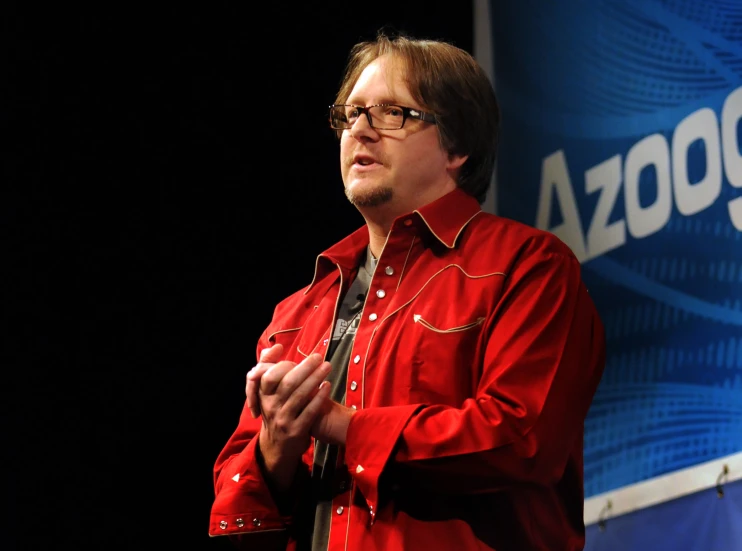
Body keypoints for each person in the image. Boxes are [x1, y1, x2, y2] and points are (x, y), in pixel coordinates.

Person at [209, 30, 606, 551]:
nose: (361, 131)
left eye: (391, 113)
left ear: (457, 146)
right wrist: (275, 446)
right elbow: (234, 509)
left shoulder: (526, 265)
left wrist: (342, 425)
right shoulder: (296, 312)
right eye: (350, 115)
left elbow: (521, 438)